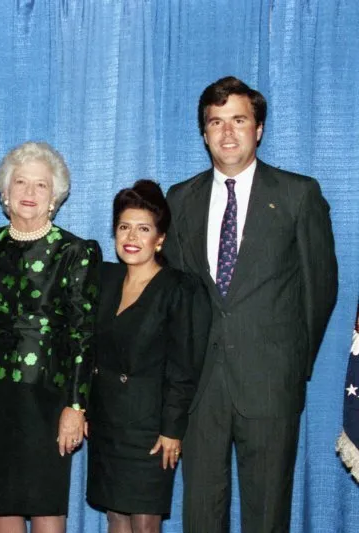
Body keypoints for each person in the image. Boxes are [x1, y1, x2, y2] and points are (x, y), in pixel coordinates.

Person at [163, 76, 338, 533]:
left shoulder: (298, 195)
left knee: (266, 516)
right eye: (215, 122)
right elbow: (176, 299)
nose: (227, 132)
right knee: (201, 515)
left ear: (258, 129)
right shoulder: (180, 200)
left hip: (271, 384)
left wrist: (292, 364)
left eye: (238, 120)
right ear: (204, 133)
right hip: (201, 389)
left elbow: (320, 289)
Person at [0, 141, 100, 533]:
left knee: (45, 502)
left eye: (41, 185)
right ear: (5, 192)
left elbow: (83, 334)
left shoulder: (75, 251)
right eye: (20, 182)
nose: (29, 192)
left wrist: (76, 405)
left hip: (48, 397)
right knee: (0, 501)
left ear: (54, 196)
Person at [86, 180, 211, 533]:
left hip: (150, 429)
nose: (131, 236)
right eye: (124, 227)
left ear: (160, 239)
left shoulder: (179, 288)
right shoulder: (104, 278)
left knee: (144, 523)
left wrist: (172, 430)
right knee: (115, 517)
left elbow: (184, 367)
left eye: (143, 229)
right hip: (107, 422)